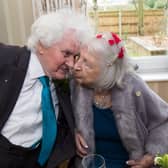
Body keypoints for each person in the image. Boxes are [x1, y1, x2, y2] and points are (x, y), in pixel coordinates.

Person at [0, 9, 93, 168]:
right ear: (42, 45)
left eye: (75, 56)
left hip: (39, 160)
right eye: (66, 53)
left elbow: (64, 114)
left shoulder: (61, 79)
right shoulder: (6, 58)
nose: (71, 64)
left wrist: (74, 131)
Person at [70, 32, 168, 168]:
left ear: (107, 70)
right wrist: (73, 132)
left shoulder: (133, 87)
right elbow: (60, 117)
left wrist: (151, 156)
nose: (76, 67)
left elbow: (164, 122)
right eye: (78, 57)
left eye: (87, 63)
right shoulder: (76, 84)